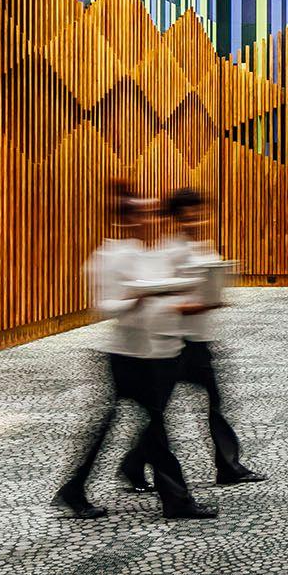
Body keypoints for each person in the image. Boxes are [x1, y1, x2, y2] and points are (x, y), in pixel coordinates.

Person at [53, 184, 214, 520]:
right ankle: (176, 501)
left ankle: (74, 488)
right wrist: (136, 300)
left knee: (128, 428)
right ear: (127, 219)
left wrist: (182, 302)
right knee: (152, 428)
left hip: (154, 353)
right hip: (128, 357)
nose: (154, 219)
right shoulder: (108, 257)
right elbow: (104, 306)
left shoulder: (149, 253)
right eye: (146, 214)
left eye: (154, 213)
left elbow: (169, 290)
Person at [120, 186, 263, 490]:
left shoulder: (203, 247)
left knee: (213, 402)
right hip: (176, 341)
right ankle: (134, 465)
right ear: (174, 219)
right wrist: (200, 304)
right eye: (187, 219)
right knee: (159, 411)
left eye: (198, 217)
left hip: (199, 340)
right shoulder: (169, 252)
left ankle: (227, 466)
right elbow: (162, 299)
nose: (194, 223)